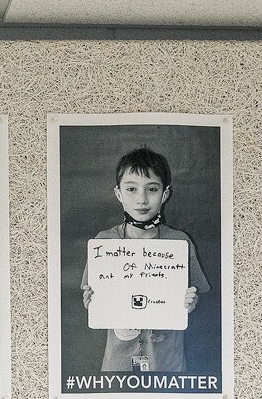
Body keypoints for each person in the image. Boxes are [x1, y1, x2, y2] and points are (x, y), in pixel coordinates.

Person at [80, 148, 210, 373]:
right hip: (118, 364)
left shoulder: (179, 242)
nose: (141, 199)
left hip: (167, 363)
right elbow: (92, 300)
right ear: (119, 194)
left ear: (165, 194)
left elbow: (197, 295)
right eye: (131, 189)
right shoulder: (104, 242)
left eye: (152, 189)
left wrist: (191, 302)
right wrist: (91, 300)